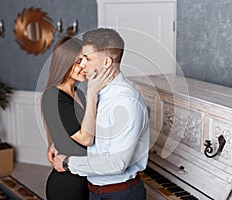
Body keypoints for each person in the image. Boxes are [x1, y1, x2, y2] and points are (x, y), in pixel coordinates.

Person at [50, 28, 150, 200]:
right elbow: (91, 137)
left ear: (106, 63)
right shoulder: (98, 93)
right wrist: (60, 143)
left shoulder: (126, 102)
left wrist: (67, 162)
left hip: (119, 194)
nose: (82, 65)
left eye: (87, 59)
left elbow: (116, 163)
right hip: (95, 191)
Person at [41, 36, 114, 200]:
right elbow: (86, 139)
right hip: (68, 183)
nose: (84, 66)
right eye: (77, 62)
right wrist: (94, 91)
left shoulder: (78, 93)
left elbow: (91, 127)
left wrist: (57, 142)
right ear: (64, 63)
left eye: (85, 60)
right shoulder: (53, 95)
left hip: (86, 176)